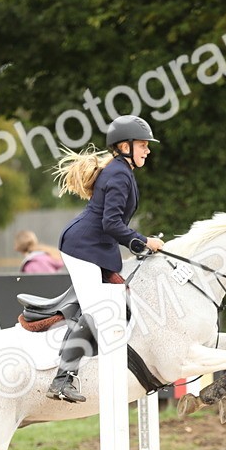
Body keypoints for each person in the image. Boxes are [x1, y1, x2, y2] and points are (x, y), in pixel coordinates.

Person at [44, 115, 165, 403]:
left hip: (95, 247)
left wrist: (140, 242)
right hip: (83, 247)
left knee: (119, 308)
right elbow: (112, 224)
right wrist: (144, 241)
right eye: (143, 145)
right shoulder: (119, 173)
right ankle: (62, 379)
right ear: (125, 146)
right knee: (96, 310)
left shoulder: (121, 170)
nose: (147, 150)